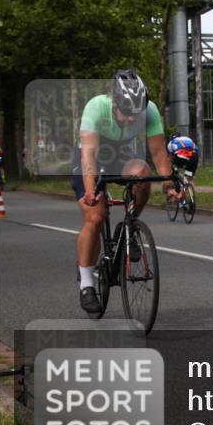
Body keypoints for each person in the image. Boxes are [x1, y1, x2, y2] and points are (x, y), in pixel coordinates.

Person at [72, 69, 182, 314]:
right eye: (126, 112)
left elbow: (158, 153)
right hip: (91, 156)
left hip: (120, 153)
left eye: (136, 113)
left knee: (142, 173)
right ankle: (87, 283)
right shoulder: (96, 107)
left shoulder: (150, 110)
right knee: (95, 216)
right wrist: (91, 191)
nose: (132, 119)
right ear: (113, 101)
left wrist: (169, 184)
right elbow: (88, 155)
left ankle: (130, 225)